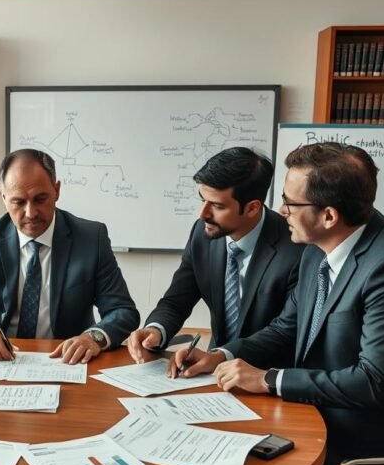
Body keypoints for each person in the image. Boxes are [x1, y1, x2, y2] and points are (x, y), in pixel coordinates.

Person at [172, 142, 384, 465]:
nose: (280, 212)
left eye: (289, 202)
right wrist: (222, 355)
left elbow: (375, 382)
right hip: (313, 425)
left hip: (358, 457)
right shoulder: (319, 249)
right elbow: (287, 327)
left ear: (328, 215)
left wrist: (269, 379)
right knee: (209, 457)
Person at [0, 148, 138, 363]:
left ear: (57, 190)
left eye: (40, 199)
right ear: (2, 196)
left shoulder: (90, 238)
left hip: (66, 362)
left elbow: (123, 311)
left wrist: (93, 338)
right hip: (0, 362)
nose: (31, 213)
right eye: (18, 202)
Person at [125, 147, 303, 366]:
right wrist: (156, 329)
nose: (203, 214)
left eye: (217, 206)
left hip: (265, 375)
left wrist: (222, 355)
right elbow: (177, 301)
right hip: (210, 371)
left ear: (252, 208)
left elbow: (284, 330)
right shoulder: (202, 233)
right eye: (202, 200)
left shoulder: (297, 248)